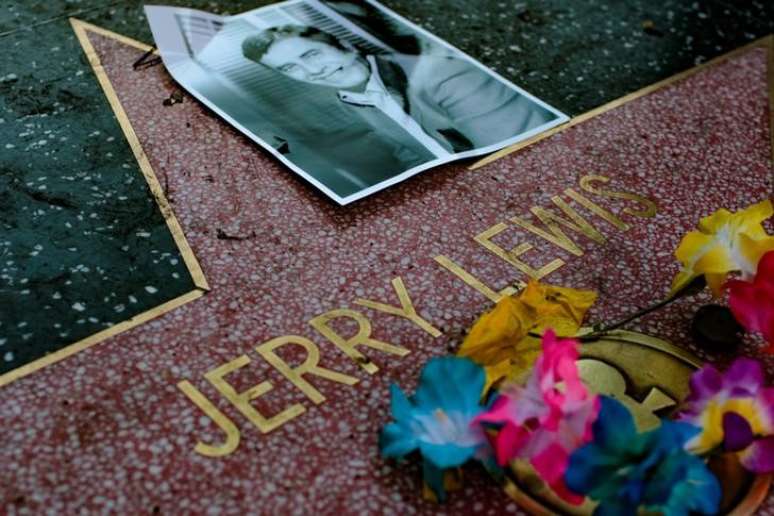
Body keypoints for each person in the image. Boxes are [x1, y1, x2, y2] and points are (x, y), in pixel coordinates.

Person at [242, 25, 555, 158]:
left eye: (311, 55)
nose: (313, 71)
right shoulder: (351, 101)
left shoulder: (440, 75)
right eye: (291, 69)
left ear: (346, 46)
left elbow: (520, 154)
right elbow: (408, 153)